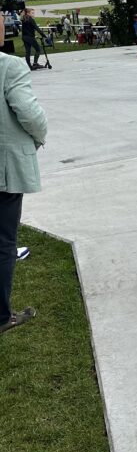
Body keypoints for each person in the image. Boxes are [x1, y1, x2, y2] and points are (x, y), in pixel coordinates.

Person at [0, 49, 47, 336]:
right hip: (3, 170)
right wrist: (40, 136)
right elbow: (30, 114)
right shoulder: (9, 65)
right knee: (4, 242)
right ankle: (1, 316)